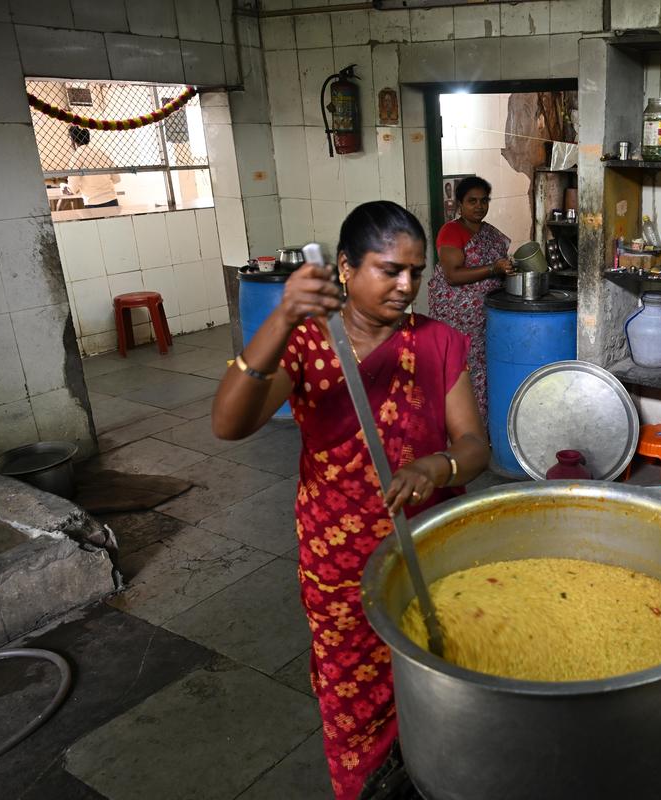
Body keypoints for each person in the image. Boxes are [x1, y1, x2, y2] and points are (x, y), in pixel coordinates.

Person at [211, 201, 490, 799]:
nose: (407, 286)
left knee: (442, 682)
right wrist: (282, 317)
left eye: (416, 272)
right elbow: (229, 424)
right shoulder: (308, 345)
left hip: (428, 549)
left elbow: (473, 446)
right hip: (340, 559)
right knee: (354, 700)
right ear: (345, 267)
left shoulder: (439, 342)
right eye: (390, 270)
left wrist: (438, 465)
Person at [427, 176, 516, 422]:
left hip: (486, 317)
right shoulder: (451, 231)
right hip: (457, 319)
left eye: (484, 201)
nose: (479, 206)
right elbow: (453, 275)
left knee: (485, 372)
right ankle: (461, 428)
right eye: (472, 201)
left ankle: (484, 428)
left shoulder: (489, 233)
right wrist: (493, 269)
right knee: (462, 371)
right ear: (460, 204)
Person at [66, 126, 121, 208]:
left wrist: (65, 188)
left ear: (73, 140)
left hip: (93, 203)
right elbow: (117, 179)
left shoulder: (76, 156)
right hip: (112, 200)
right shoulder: (101, 152)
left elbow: (73, 188)